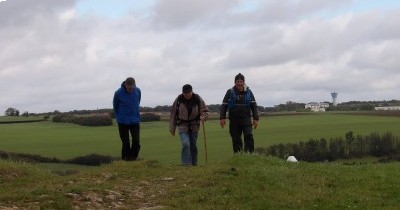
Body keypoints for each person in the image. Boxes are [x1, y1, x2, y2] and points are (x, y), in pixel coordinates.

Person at [219, 73, 259, 153]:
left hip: (246, 119)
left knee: (249, 136)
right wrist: (222, 118)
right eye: (238, 81)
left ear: (244, 82)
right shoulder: (229, 92)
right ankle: (238, 156)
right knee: (236, 139)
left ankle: (249, 154)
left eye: (241, 81)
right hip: (234, 120)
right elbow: (224, 105)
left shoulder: (249, 92)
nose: (239, 83)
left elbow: (254, 105)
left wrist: (256, 118)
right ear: (235, 82)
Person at [169, 84, 208, 166]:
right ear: (182, 93)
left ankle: (194, 164)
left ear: (192, 91)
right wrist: (172, 128)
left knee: (193, 145)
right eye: (185, 93)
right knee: (185, 144)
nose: (187, 94)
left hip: (194, 125)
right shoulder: (179, 99)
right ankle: (186, 164)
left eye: (189, 92)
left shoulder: (197, 98)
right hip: (182, 125)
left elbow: (204, 110)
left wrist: (204, 116)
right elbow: (173, 114)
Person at [113, 77, 141, 161]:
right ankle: (125, 160)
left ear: (134, 85)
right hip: (122, 121)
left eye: (132, 88)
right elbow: (115, 106)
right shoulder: (118, 93)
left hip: (135, 120)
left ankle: (132, 158)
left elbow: (138, 102)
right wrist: (119, 117)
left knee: (136, 141)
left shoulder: (138, 91)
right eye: (129, 88)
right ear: (125, 85)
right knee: (126, 143)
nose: (131, 90)